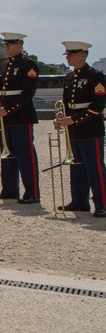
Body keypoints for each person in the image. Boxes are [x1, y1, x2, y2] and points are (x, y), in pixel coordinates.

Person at [55, 41, 106, 217]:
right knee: (76, 167)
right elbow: (66, 104)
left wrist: (74, 119)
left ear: (82, 56)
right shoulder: (69, 77)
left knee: (95, 168)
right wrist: (61, 120)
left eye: (71, 54)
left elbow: (97, 106)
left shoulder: (96, 76)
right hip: (74, 129)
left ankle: (102, 204)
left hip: (90, 129)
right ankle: (79, 201)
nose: (67, 57)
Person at [0, 32, 41, 205]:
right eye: (6, 44)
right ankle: (10, 189)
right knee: (7, 154)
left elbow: (28, 93)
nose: (7, 47)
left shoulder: (28, 64)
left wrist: (9, 109)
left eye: (11, 44)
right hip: (5, 117)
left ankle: (32, 192)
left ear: (20, 45)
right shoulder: (4, 65)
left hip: (20, 115)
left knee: (25, 154)